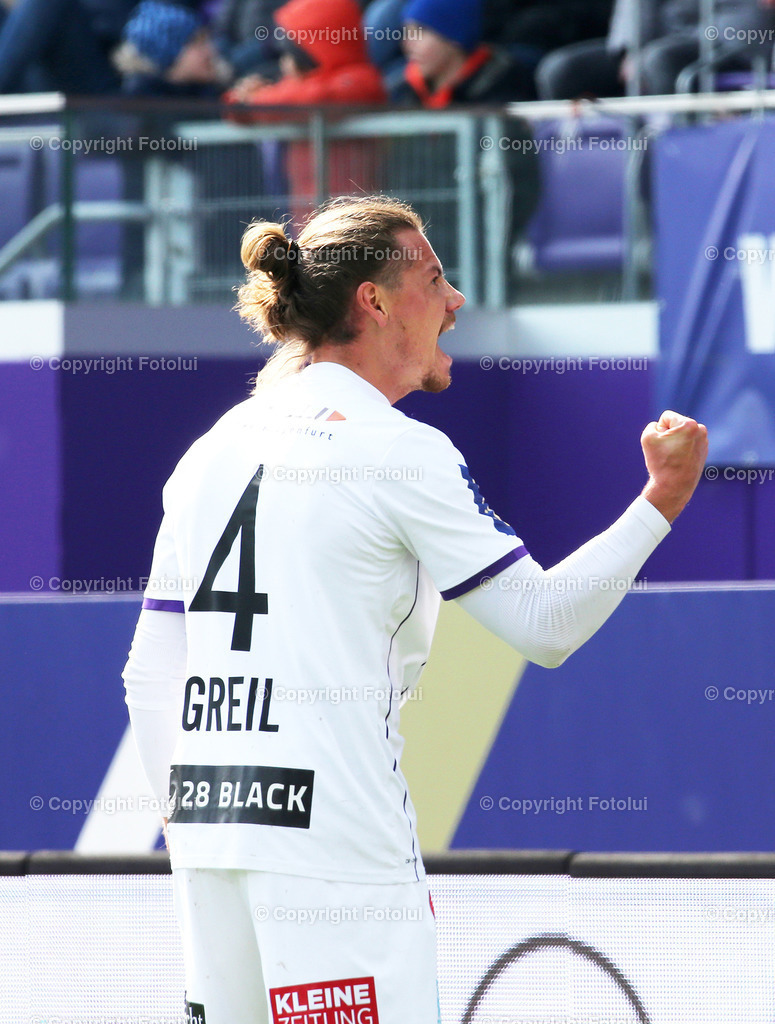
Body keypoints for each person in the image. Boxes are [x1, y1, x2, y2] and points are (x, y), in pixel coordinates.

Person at [123, 194, 708, 1024]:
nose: (456, 300)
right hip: (338, 849)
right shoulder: (399, 450)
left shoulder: (211, 448)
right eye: (434, 277)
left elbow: (150, 675)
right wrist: (661, 500)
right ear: (374, 300)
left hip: (213, 842)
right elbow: (544, 627)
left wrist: (183, 830)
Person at [536, 0, 775, 99]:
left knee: (659, 60)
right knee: (561, 71)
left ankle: (672, 155)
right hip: (661, 36)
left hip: (728, 37)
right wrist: (631, 50)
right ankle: (580, 166)